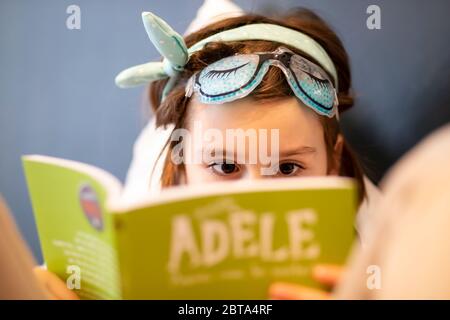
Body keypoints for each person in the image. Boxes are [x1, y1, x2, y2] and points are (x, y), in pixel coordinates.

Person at [34, 6, 379, 299]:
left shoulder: (381, 272)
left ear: (332, 162)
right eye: (225, 166)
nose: (253, 197)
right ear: (181, 165)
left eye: (288, 168)